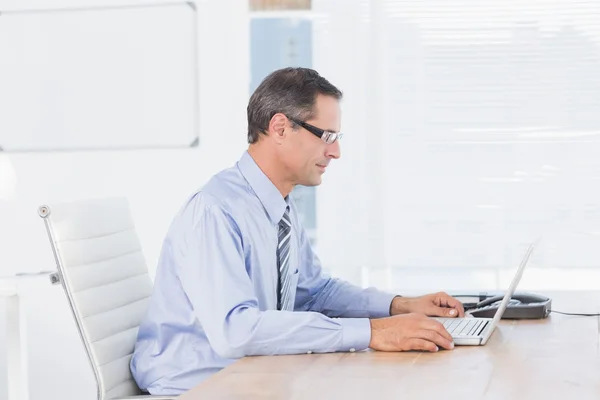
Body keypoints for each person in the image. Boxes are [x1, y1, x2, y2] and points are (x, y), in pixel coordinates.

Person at [130, 67, 465, 395]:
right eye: (327, 136)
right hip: (195, 387)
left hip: (254, 376)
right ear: (280, 127)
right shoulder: (215, 211)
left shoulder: (278, 205)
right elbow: (236, 331)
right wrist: (373, 332)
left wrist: (399, 306)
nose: (335, 152)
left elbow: (314, 292)